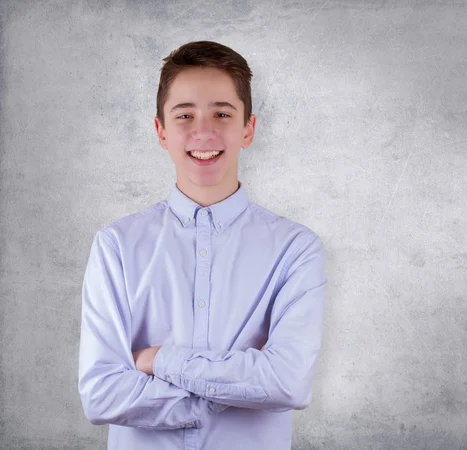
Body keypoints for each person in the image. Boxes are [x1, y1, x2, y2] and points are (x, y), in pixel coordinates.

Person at [78, 40, 327, 450]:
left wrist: (160, 361)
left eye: (222, 113)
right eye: (184, 115)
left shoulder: (295, 249)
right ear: (160, 131)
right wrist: (242, 390)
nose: (204, 131)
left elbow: (288, 383)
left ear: (248, 128)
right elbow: (102, 395)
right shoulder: (116, 247)